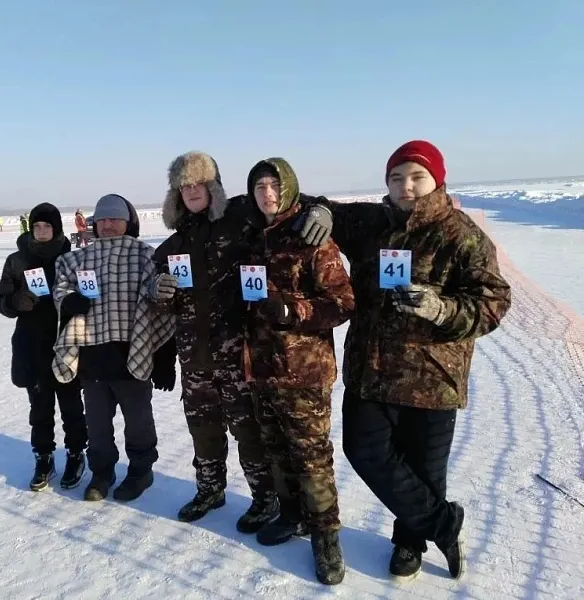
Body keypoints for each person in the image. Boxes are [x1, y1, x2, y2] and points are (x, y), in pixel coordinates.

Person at [296, 140, 512, 580]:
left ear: (437, 179)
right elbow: (320, 206)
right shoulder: (372, 222)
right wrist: (317, 212)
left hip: (431, 377)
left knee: (425, 470)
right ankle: (444, 524)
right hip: (370, 371)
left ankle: (410, 542)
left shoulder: (460, 234)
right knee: (363, 448)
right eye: (396, 177)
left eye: (416, 176)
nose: (406, 186)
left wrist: (441, 310)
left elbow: (493, 302)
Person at [151, 151, 278, 533]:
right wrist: (161, 292)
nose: (191, 191)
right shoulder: (170, 248)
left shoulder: (241, 223)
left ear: (213, 186)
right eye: (184, 185)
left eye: (198, 183)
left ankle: (265, 497)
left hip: (239, 353)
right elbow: (163, 305)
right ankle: (210, 489)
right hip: (195, 357)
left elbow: (282, 210)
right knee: (202, 427)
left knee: (248, 429)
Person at [244, 157, 355, 585]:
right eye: (259, 188)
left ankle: (326, 536)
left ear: (289, 188)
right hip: (262, 367)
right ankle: (292, 516)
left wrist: (294, 309)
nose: (267, 194)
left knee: (311, 457)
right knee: (276, 449)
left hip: (304, 371)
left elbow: (343, 302)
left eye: (274, 185)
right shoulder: (253, 239)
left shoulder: (312, 238)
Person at [52, 194, 177, 503]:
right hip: (92, 356)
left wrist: (163, 356)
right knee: (97, 425)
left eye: (114, 219)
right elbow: (61, 287)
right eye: (102, 219)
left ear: (128, 222)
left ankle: (140, 471)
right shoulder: (78, 258)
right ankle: (102, 473)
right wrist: (68, 300)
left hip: (131, 355)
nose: (107, 225)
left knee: (138, 422)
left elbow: (161, 300)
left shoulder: (146, 256)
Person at [0, 203, 88, 491]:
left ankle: (75, 453)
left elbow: (88, 295)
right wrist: (16, 302)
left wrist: (80, 302)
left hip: (66, 343)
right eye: (37, 226)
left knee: (72, 405)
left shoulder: (72, 260)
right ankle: (43, 456)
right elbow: (2, 302)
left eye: (47, 226)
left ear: (57, 228)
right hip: (31, 345)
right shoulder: (16, 261)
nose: (42, 231)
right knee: (40, 408)